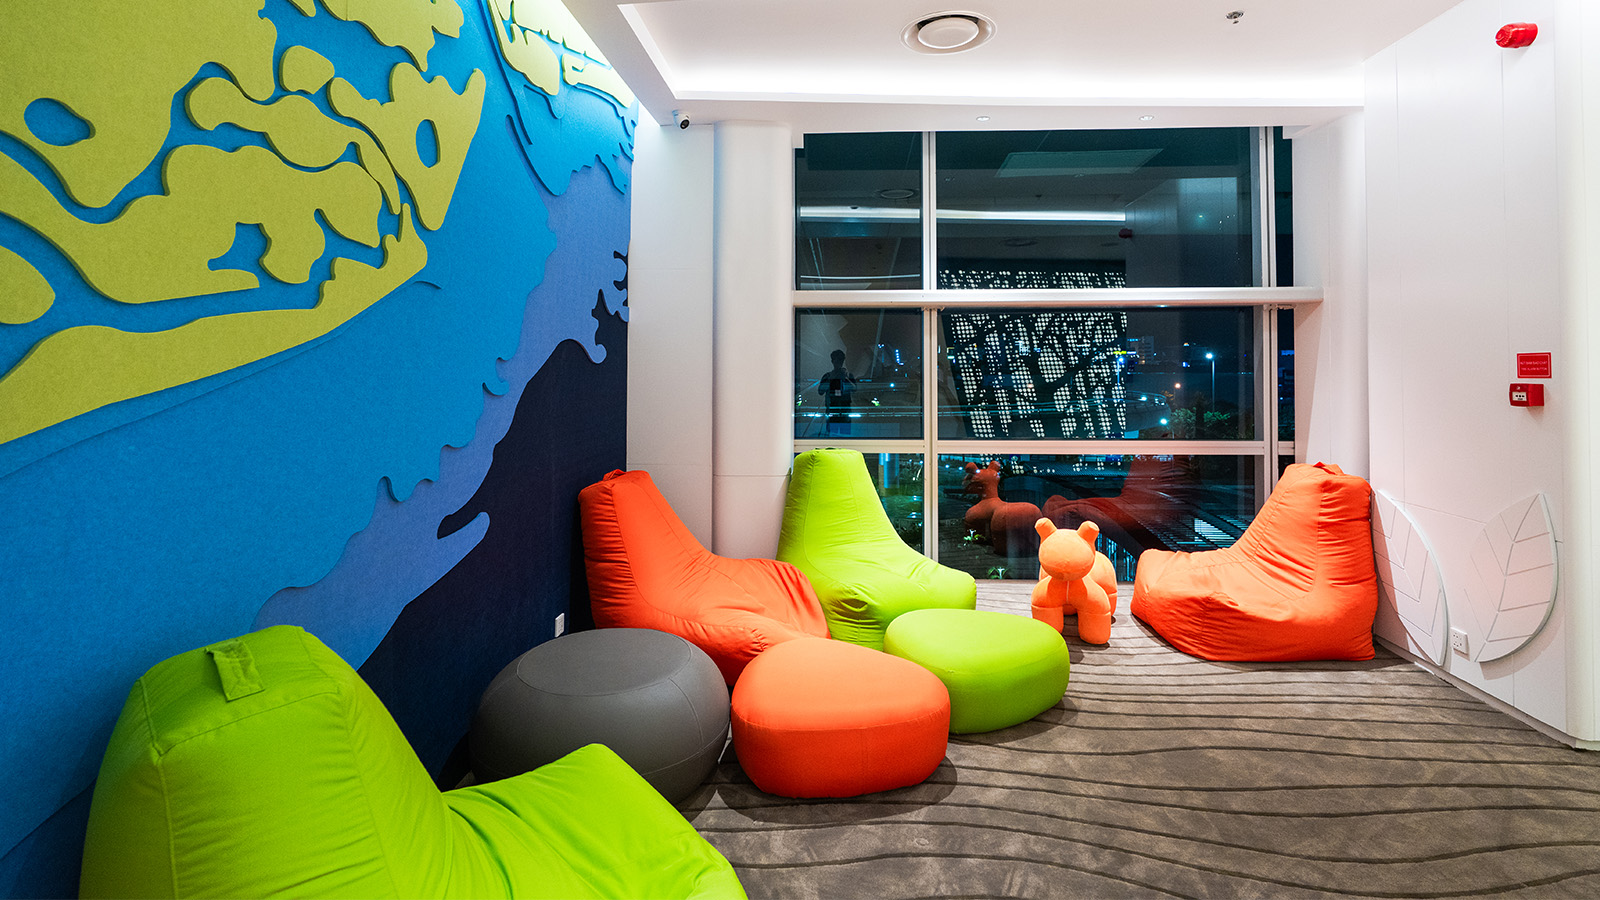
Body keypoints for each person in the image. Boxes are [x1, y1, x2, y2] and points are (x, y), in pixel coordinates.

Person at [818, 349, 857, 436]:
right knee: (833, 435)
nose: (839, 363)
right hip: (832, 410)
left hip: (844, 410)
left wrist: (846, 378)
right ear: (832, 361)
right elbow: (820, 391)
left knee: (843, 436)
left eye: (840, 360)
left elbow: (854, 389)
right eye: (837, 360)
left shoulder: (848, 375)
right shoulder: (828, 376)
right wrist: (830, 378)